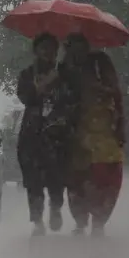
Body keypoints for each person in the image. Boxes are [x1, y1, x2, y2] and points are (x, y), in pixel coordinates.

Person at [61, 33, 126, 236]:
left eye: (81, 46)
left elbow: (115, 92)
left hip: (104, 133)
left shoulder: (100, 63)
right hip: (75, 133)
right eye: (72, 47)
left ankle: (99, 221)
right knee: (76, 181)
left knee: (105, 179)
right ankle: (80, 221)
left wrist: (96, 87)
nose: (77, 52)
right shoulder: (64, 69)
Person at [15, 33, 78, 235]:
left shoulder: (65, 74)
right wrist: (42, 85)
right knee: (33, 181)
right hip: (32, 135)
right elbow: (26, 97)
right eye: (43, 48)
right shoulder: (26, 74)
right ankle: (37, 221)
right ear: (36, 51)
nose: (48, 53)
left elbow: (73, 98)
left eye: (52, 49)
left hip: (58, 135)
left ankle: (55, 208)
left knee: (57, 178)